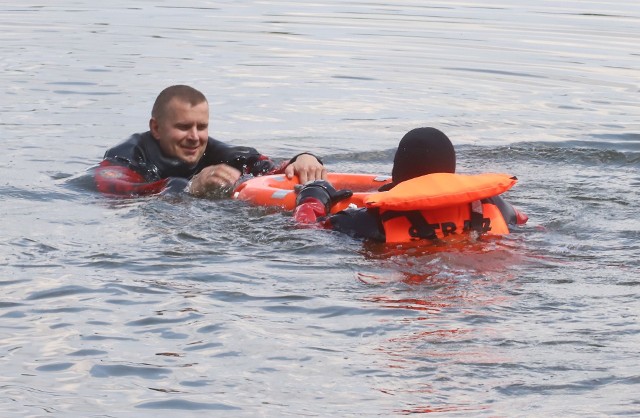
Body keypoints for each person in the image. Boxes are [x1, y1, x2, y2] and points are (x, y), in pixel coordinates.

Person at [293, 127, 528, 242]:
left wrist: (313, 194)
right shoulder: (494, 204)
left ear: (397, 172)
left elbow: (308, 230)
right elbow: (523, 222)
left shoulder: (369, 220)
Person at [95, 85, 326, 197]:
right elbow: (115, 189)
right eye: (183, 127)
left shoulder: (215, 153)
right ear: (156, 127)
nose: (195, 137)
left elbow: (264, 167)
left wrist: (302, 159)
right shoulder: (127, 154)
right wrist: (188, 187)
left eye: (202, 127)